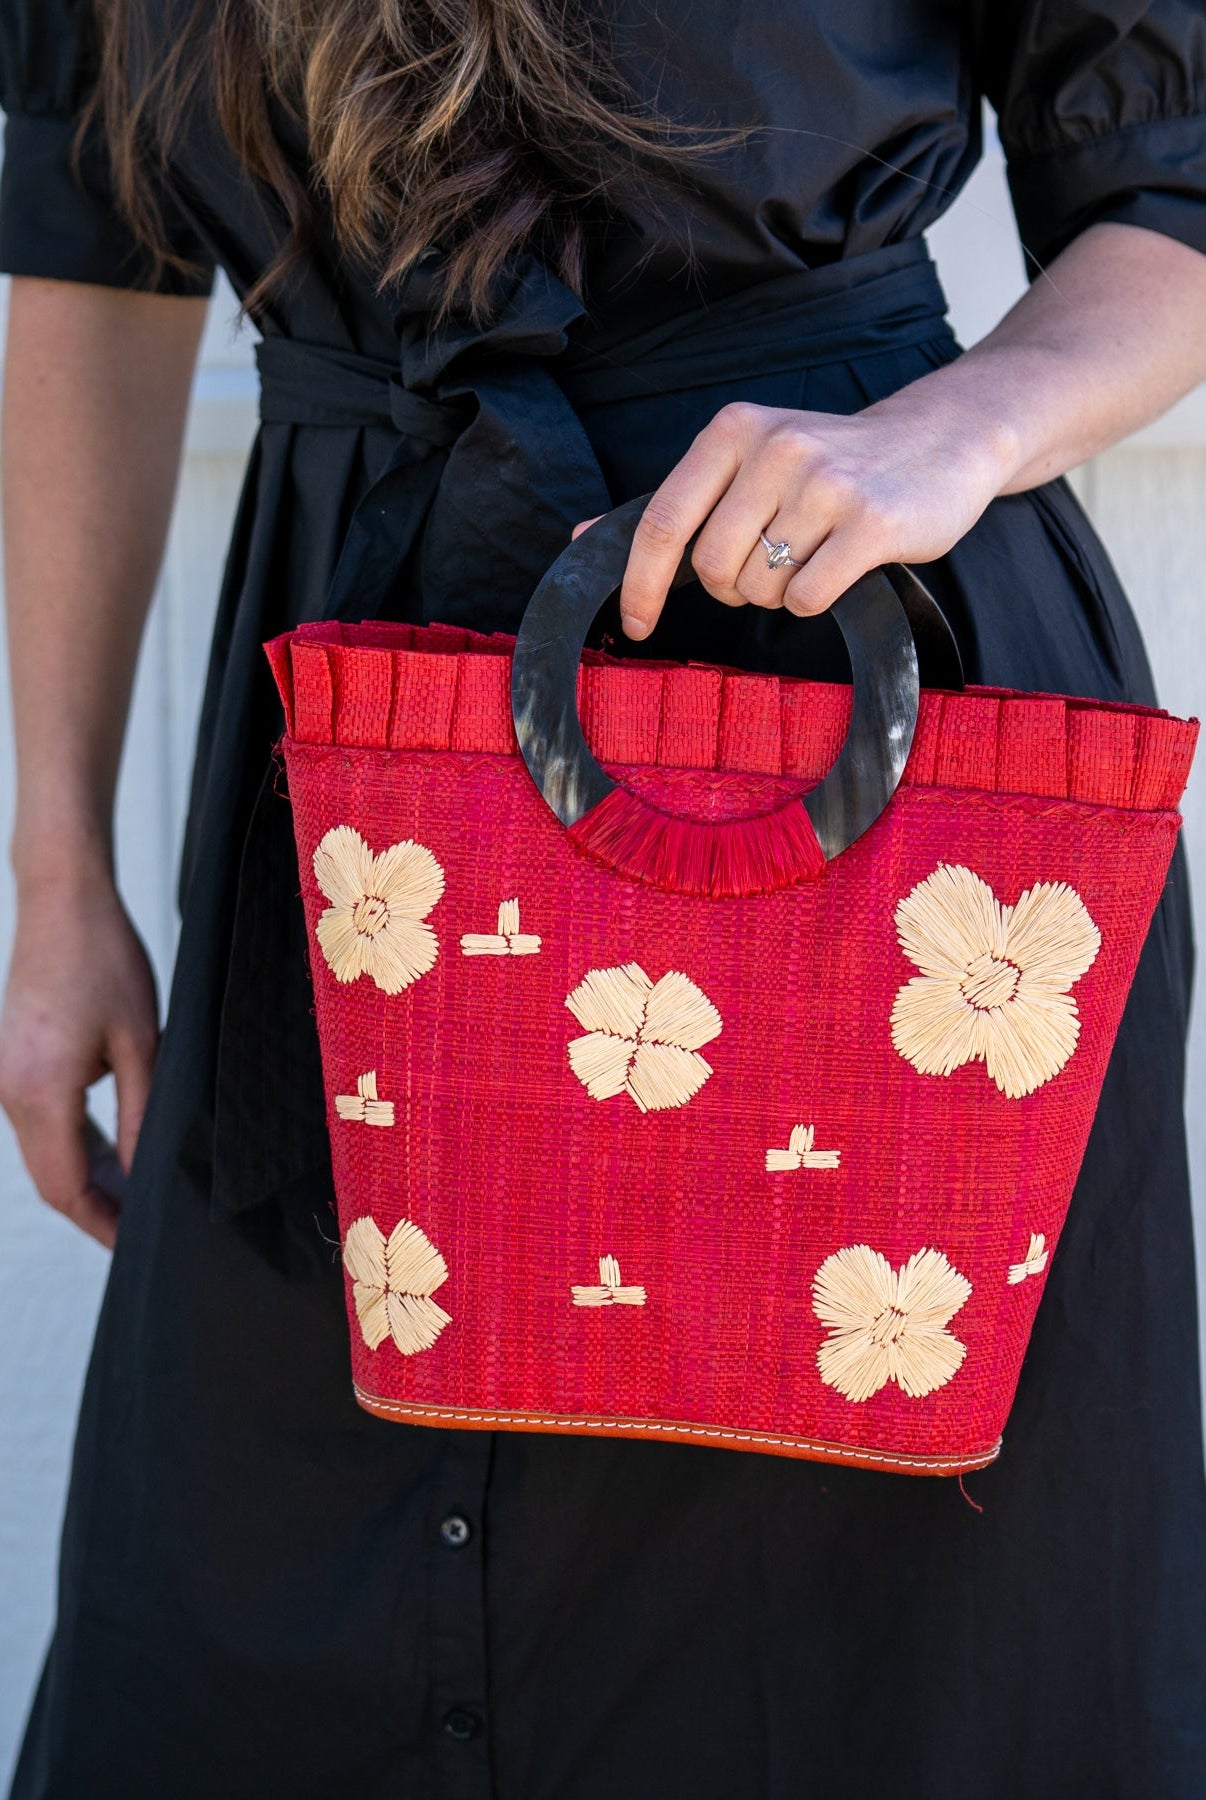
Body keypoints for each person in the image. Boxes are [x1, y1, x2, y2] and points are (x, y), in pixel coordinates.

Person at [1, 0, 1205, 1793]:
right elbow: (90, 250)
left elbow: (1169, 182)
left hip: (865, 734)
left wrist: (964, 427)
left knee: (902, 1637)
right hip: (353, 790)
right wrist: (59, 868)